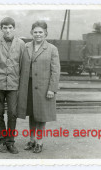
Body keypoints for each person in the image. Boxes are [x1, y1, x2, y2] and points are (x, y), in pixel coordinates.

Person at [17, 20, 60, 153]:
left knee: (42, 115)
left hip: (43, 88)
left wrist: (52, 89)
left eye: (40, 32)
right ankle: (32, 140)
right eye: (35, 32)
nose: (38, 34)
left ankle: (39, 142)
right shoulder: (26, 47)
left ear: (45, 33)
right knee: (32, 114)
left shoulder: (52, 49)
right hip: (28, 87)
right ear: (31, 33)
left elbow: (56, 71)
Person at [0, 17, 25, 154]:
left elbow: (22, 65)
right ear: (1, 29)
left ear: (14, 28)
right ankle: (2, 141)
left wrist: (20, 83)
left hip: (13, 84)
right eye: (5, 28)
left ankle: (10, 142)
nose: (7, 30)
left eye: (10, 28)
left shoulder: (21, 44)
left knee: (12, 113)